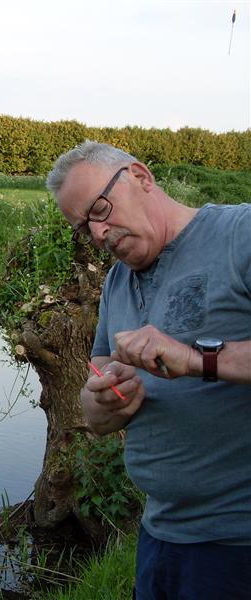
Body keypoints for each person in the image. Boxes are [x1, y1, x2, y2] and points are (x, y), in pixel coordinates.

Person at [46, 141, 251, 599]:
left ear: (140, 177)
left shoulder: (240, 234)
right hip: (160, 537)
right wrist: (102, 399)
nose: (98, 233)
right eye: (84, 228)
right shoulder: (116, 282)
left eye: (100, 210)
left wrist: (196, 360)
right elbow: (97, 409)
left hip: (237, 545)